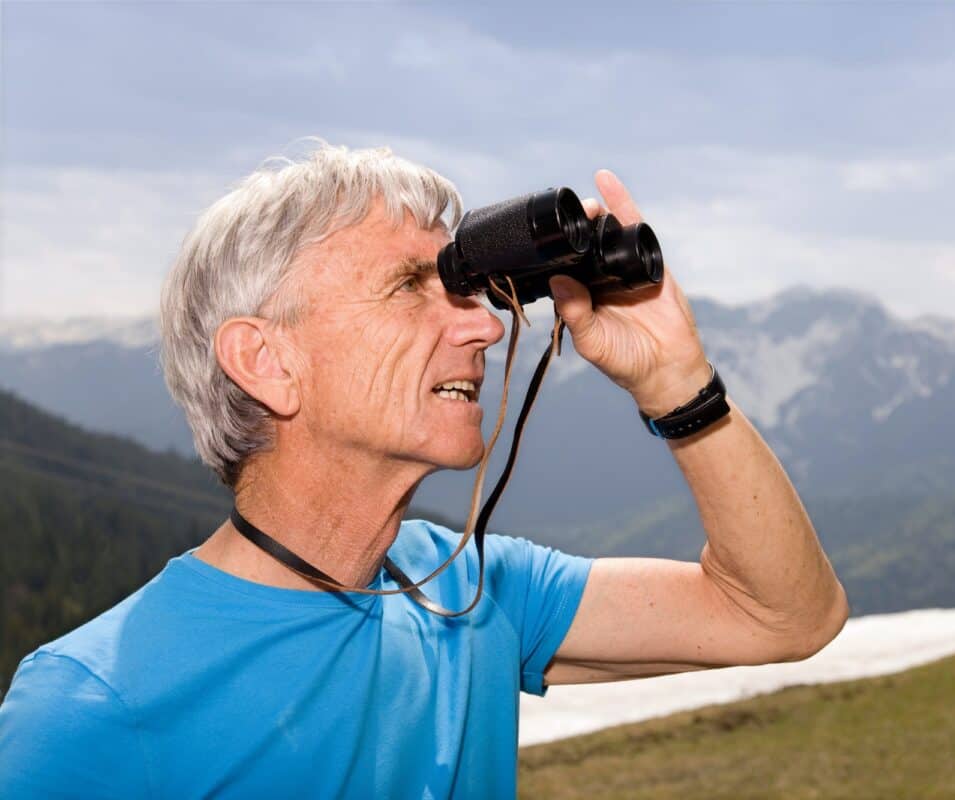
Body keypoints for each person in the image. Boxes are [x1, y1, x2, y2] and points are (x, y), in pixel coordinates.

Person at [0, 143, 848, 798]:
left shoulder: (472, 589)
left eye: (466, 287)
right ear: (266, 361)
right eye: (411, 286)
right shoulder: (91, 708)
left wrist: (677, 382)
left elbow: (782, 616)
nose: (484, 327)